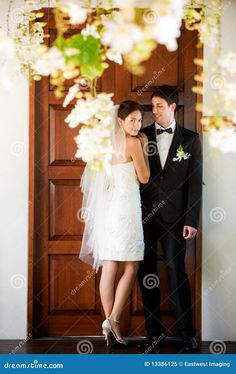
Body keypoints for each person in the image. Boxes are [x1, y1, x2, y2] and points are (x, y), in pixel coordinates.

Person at [79, 100, 150, 346]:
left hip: (108, 211)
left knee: (110, 267)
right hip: (127, 210)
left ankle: (110, 325)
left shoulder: (105, 145)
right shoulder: (133, 142)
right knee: (131, 266)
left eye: (140, 120)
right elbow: (144, 177)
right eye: (132, 120)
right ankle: (114, 320)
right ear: (120, 121)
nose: (137, 124)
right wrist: (144, 145)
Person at [138, 85, 202, 352]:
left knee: (177, 272)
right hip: (143, 217)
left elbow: (195, 183)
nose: (154, 111)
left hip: (176, 219)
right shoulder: (142, 136)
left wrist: (192, 220)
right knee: (146, 273)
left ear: (173, 107)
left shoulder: (190, 139)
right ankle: (154, 334)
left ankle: (187, 333)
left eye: (159, 106)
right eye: (152, 106)